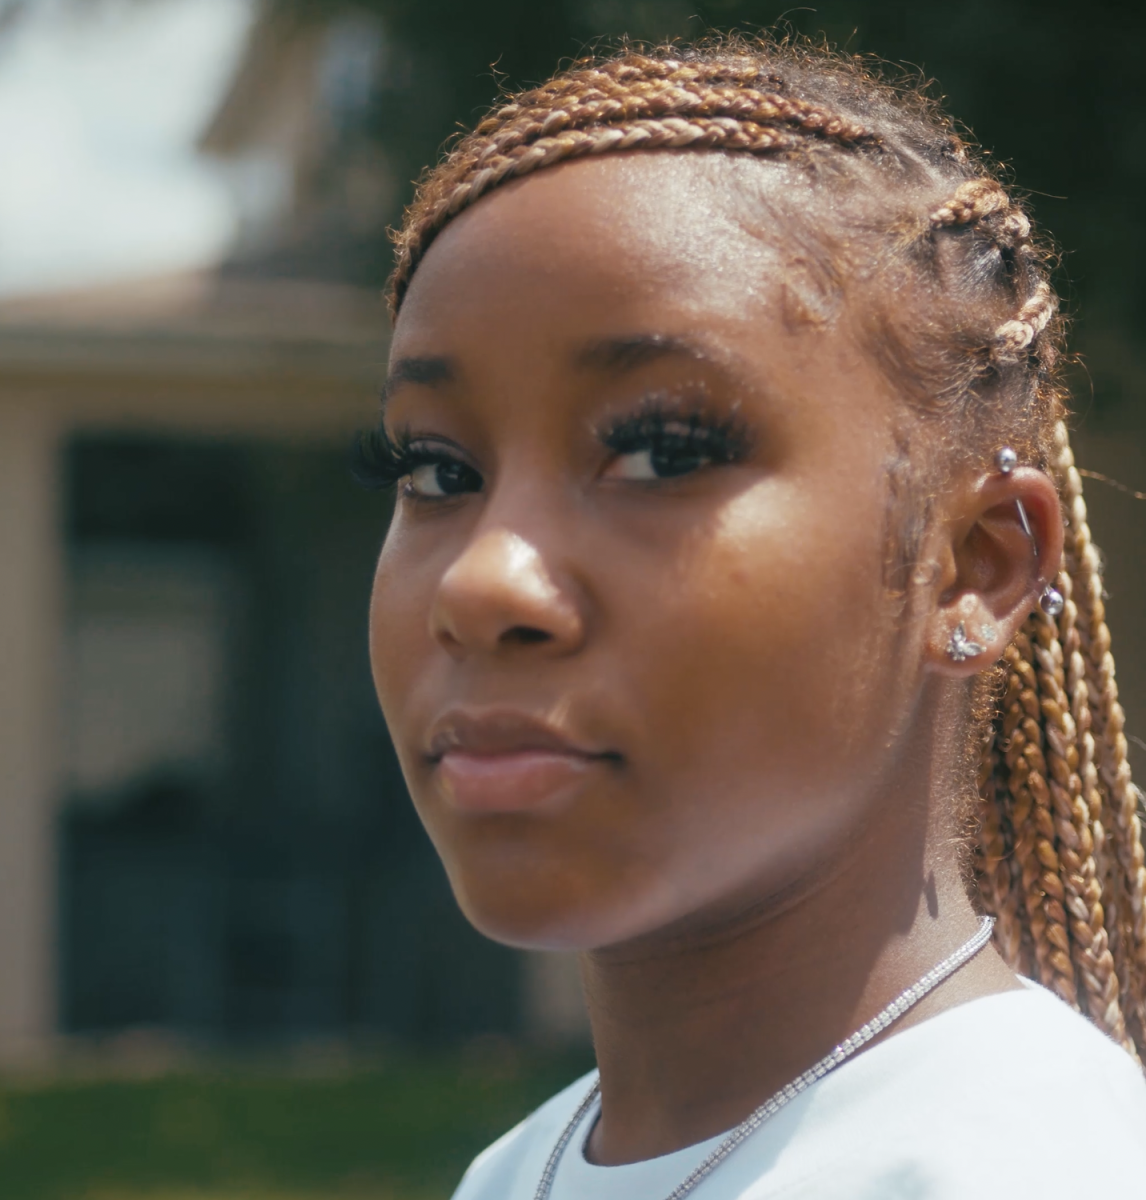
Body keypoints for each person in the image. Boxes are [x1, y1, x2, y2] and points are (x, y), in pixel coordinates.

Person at [356, 35, 1146, 1198]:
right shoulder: (522, 1168)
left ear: (972, 567)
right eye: (438, 471)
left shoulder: (1024, 1169)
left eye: (663, 452)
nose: (484, 583)